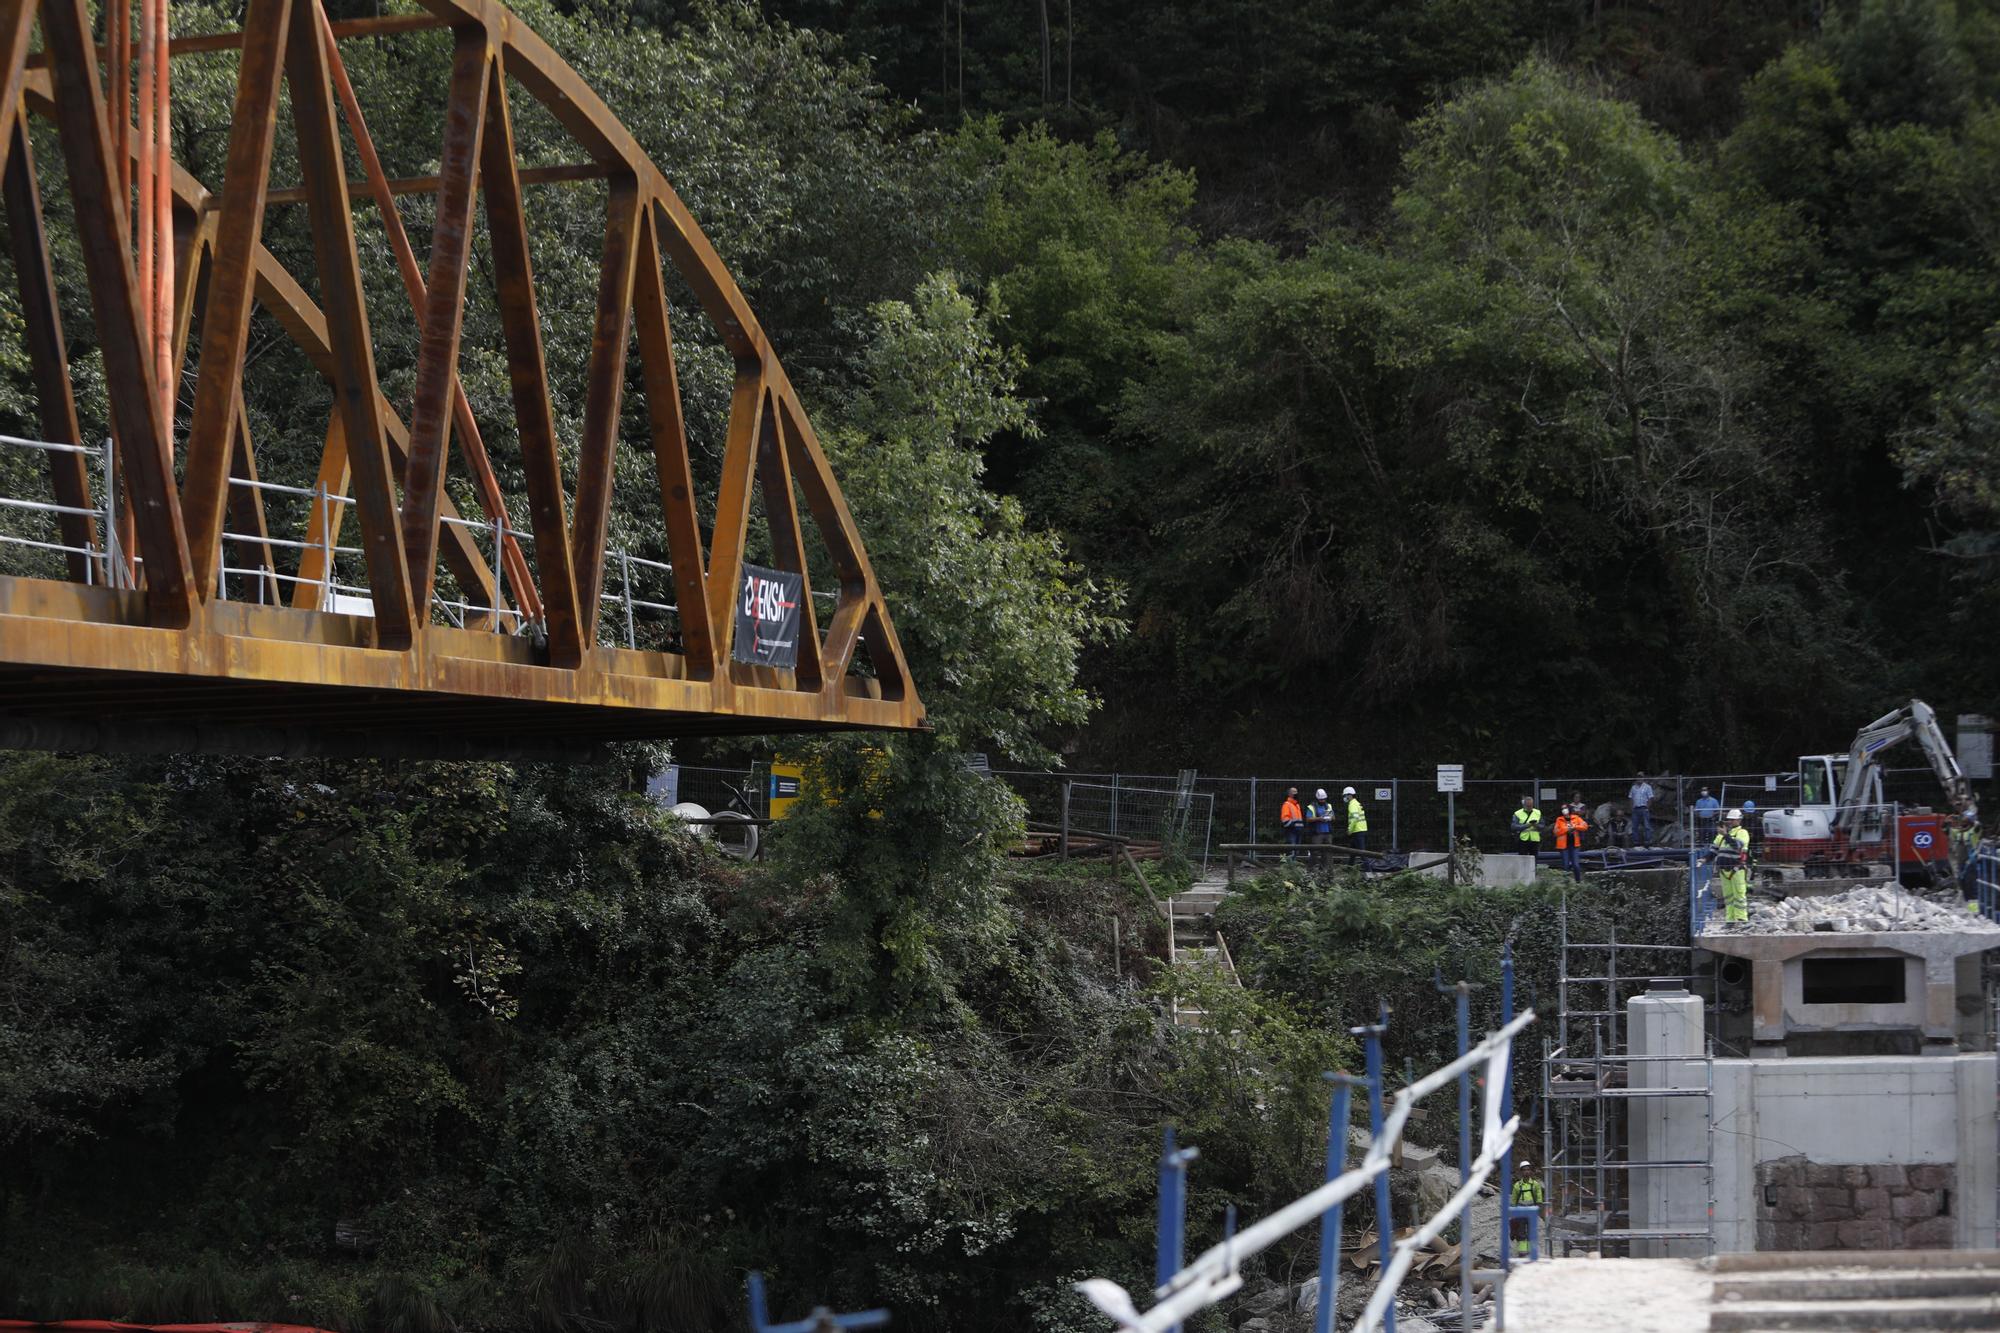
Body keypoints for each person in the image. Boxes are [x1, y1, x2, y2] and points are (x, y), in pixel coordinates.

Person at [1706, 808, 1752, 924]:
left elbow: (1737, 846)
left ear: (1739, 820)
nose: (1730, 822)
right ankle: (1730, 921)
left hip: (1736, 869)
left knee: (1739, 896)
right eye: (1729, 820)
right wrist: (1704, 859)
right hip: (1724, 871)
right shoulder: (1722, 835)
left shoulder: (1742, 833)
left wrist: (1725, 835)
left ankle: (1742, 920)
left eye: (1733, 820)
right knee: (1729, 897)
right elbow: (1714, 849)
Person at [1510, 1161, 1545, 1259]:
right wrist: (1513, 1213)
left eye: (1528, 1169)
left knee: (1531, 1232)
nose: (1526, 1172)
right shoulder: (1517, 1185)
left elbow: (1539, 1198)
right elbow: (1513, 1200)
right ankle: (1522, 1252)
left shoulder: (1535, 1184)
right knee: (1521, 1233)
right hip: (1520, 1210)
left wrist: (1539, 1209)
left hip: (1532, 1210)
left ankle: (1529, 1251)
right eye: (1524, 1170)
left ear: (1531, 1171)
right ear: (1521, 1172)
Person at [1950, 809, 1984, 909]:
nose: (1963, 821)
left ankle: (1973, 910)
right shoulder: (1959, 832)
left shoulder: (1973, 831)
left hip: (1971, 862)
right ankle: (1967, 908)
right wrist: (1949, 822)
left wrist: (1972, 818)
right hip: (1961, 862)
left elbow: (1978, 826)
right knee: (1963, 885)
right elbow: (1947, 830)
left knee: (1971, 886)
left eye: (1966, 820)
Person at [1554, 804, 1589, 883]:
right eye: (1562, 809)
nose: (1564, 810)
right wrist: (1566, 829)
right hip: (1563, 846)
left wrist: (1575, 827)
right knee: (1565, 865)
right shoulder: (1559, 820)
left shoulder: (1576, 818)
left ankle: (1578, 882)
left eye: (1565, 808)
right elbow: (1556, 832)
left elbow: (1585, 826)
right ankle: (1565, 883)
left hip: (1575, 845)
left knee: (1576, 865)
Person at [1511, 794, 1543, 863]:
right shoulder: (1517, 813)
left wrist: (1536, 825)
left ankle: (1532, 873)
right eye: (1528, 806)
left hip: (1535, 839)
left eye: (1531, 805)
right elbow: (1513, 826)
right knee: (1523, 860)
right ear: (1524, 805)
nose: (1529, 807)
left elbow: (1542, 826)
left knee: (1534, 860)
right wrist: (1527, 825)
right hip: (1523, 839)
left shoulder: (1538, 812)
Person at [1628, 773, 1655, 845]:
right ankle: (1635, 842)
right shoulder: (1633, 787)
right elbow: (1630, 797)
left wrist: (1647, 807)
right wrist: (1631, 808)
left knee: (1647, 826)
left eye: (1641, 777)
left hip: (1644, 808)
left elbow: (1650, 798)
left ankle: (1648, 841)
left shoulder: (1648, 787)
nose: (1639, 779)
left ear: (1643, 778)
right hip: (1635, 809)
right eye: (1638, 777)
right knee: (1634, 826)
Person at [1307, 788, 1335, 853]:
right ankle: (1314, 863)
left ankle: (1327, 863)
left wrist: (1329, 818)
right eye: (1321, 799)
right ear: (1317, 799)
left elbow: (1333, 817)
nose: (1323, 801)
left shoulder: (1328, 806)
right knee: (1315, 852)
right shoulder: (1312, 807)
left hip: (1328, 833)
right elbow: (1308, 819)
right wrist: (1319, 818)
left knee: (1328, 852)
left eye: (1324, 799)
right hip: (1317, 833)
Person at [1342, 785, 1368, 853]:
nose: (1344, 797)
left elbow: (1355, 818)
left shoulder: (1352, 805)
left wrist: (1350, 830)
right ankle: (1351, 863)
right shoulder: (1357, 803)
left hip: (1357, 830)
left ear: (1350, 795)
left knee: (1361, 852)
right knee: (1353, 850)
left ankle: (1366, 864)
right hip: (1360, 829)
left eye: (1345, 795)